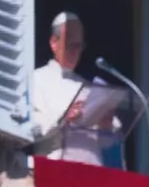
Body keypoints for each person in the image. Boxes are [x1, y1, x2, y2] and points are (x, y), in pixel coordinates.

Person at [31, 11, 118, 166]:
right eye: (71, 45)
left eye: (80, 46)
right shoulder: (37, 79)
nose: (76, 52)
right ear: (54, 43)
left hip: (92, 173)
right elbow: (32, 128)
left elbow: (106, 143)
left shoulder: (87, 87)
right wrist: (64, 119)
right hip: (55, 169)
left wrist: (107, 124)